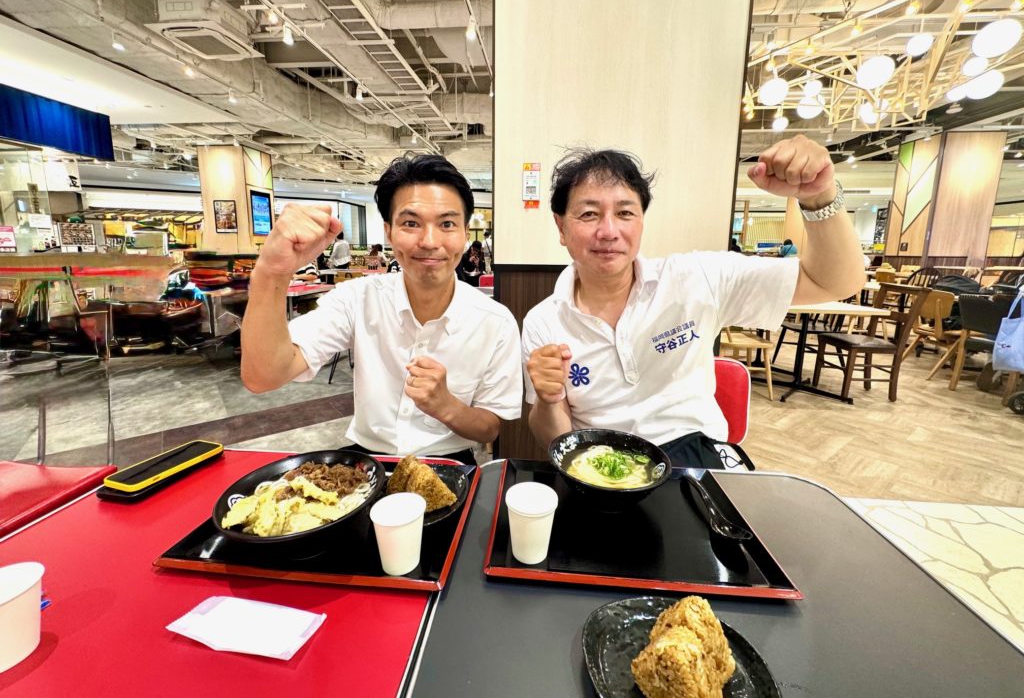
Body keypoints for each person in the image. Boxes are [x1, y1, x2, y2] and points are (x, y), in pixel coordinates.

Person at [523, 135, 864, 468]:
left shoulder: (698, 278)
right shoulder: (544, 321)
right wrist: (549, 400)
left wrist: (819, 197)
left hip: (697, 460)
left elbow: (835, 282)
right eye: (588, 214)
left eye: (625, 213)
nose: (609, 231)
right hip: (601, 466)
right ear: (561, 227)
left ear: (641, 221)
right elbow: (555, 438)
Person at [240, 154, 523, 463]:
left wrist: (446, 406)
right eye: (411, 223)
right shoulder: (357, 298)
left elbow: (489, 428)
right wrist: (271, 273)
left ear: (465, 234)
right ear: (388, 232)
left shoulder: (495, 322)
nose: (430, 241)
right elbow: (263, 376)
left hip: (450, 462)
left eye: (447, 224)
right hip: (366, 463)